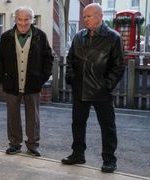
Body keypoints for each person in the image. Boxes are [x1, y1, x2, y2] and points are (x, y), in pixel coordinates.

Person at [61, 3, 125, 173]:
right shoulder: (79, 36)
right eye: (84, 17)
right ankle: (77, 154)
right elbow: (70, 59)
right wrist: (71, 78)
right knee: (78, 124)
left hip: (101, 91)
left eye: (89, 16)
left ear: (99, 16)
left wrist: (107, 85)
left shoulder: (113, 37)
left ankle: (109, 160)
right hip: (80, 89)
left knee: (107, 126)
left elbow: (119, 66)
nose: (85, 20)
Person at [0, 6, 53, 157]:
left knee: (33, 116)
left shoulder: (41, 36)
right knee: (13, 115)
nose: (23, 23)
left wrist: (41, 79)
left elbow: (49, 58)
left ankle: (33, 145)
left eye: (26, 19)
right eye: (20, 19)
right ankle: (14, 144)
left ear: (32, 20)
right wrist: (3, 78)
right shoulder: (6, 36)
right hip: (11, 85)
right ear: (15, 19)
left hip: (33, 84)